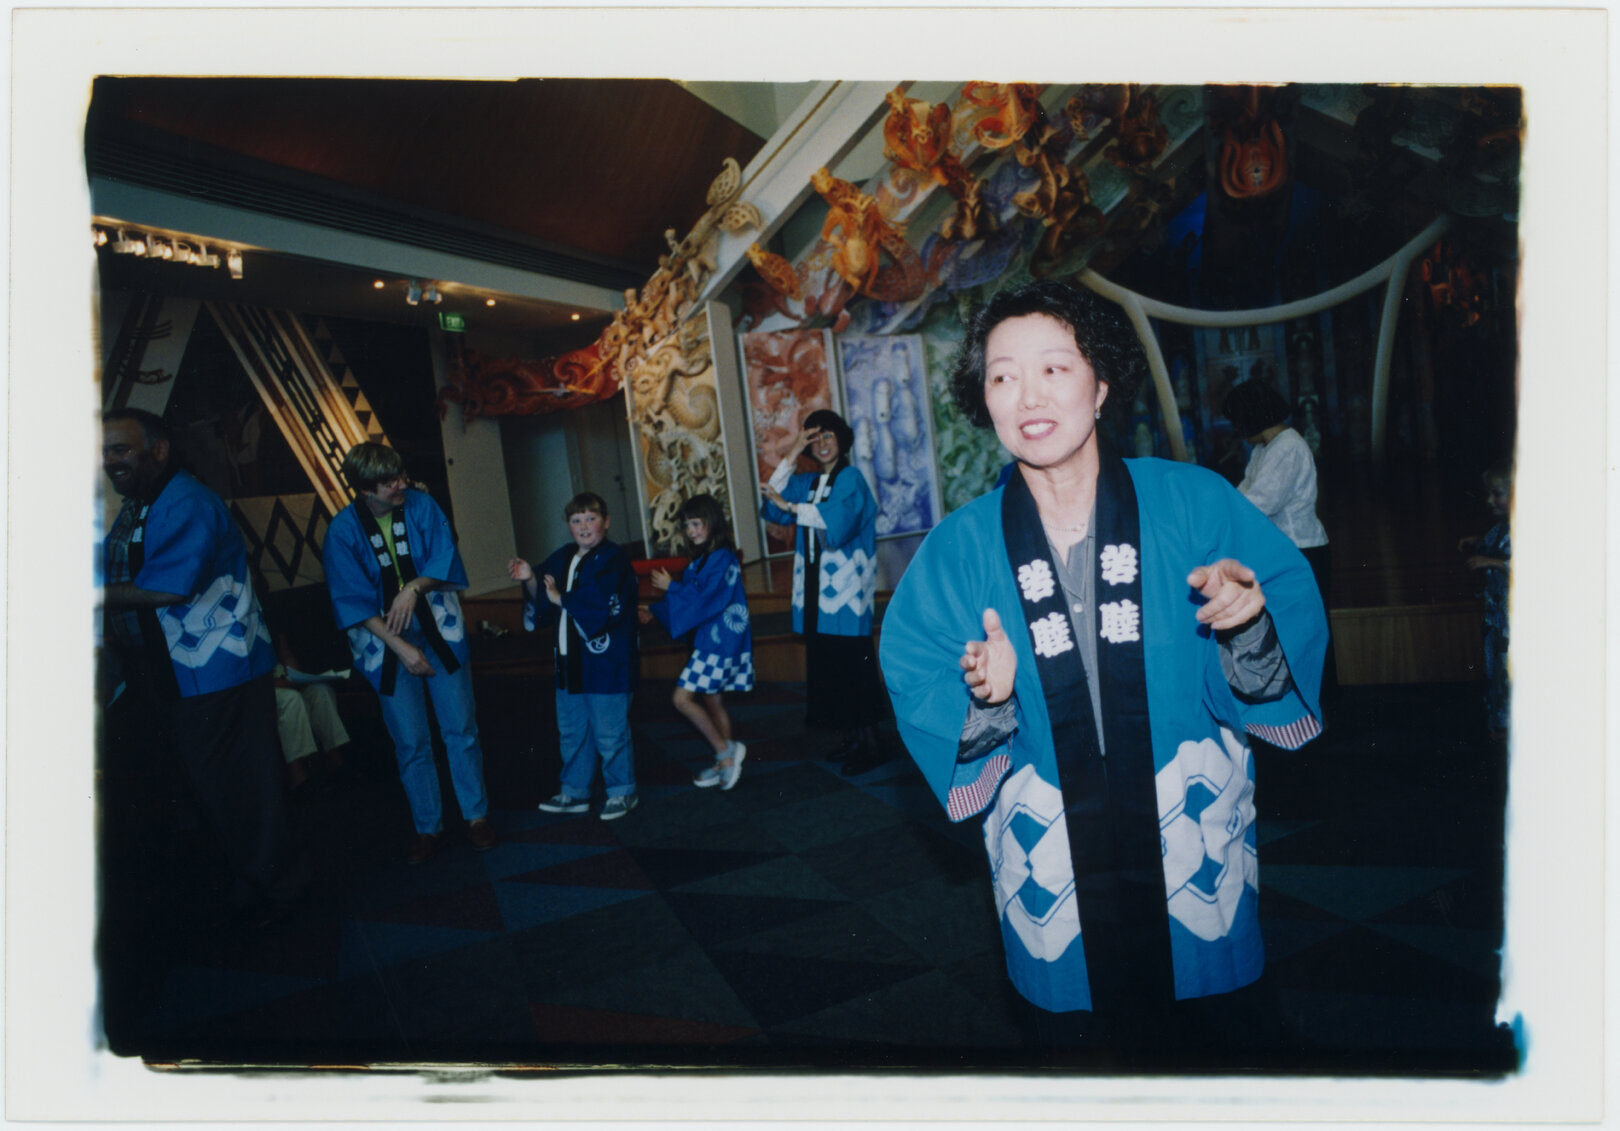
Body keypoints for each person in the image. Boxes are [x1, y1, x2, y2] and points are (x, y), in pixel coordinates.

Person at [878, 283, 1328, 1058]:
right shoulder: (957, 549)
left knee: (1220, 1058)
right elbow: (918, 672)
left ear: (1102, 385)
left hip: (1191, 848)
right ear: (983, 398)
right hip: (1053, 864)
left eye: (1055, 368)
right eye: (1002, 375)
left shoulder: (1195, 502)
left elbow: (1281, 612)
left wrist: (1247, 623)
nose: (1028, 394)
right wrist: (984, 697)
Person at [100, 408, 306, 926]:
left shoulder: (186, 500)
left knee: (242, 783)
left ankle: (278, 889)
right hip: (169, 675)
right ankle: (249, 879)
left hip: (217, 671)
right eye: (105, 452)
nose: (110, 461)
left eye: (121, 449)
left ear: (159, 449)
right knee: (212, 784)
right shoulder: (137, 506)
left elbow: (169, 587)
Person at [324, 442, 495, 864]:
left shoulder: (422, 505)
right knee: (411, 740)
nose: (402, 485)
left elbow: (443, 557)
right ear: (365, 489)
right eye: (390, 482)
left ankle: (476, 817)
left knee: (460, 728)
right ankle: (428, 827)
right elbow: (350, 601)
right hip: (385, 646)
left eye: (400, 475)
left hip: (440, 631)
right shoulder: (342, 531)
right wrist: (400, 647)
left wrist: (412, 587)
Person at [760, 409, 889, 775]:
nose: (822, 444)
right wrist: (791, 452)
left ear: (842, 440)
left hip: (845, 591)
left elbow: (840, 523)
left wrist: (792, 507)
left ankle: (872, 742)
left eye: (828, 436)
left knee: (853, 666)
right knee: (831, 667)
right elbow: (774, 501)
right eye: (814, 439)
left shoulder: (851, 479)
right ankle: (852, 737)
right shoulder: (809, 481)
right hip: (815, 589)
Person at [510, 492, 641, 820]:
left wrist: (561, 599)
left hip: (605, 663)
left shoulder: (615, 560)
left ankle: (622, 791)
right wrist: (529, 578)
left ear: (606, 522)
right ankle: (575, 791)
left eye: (591, 518)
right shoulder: (564, 556)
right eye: (576, 520)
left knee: (609, 731)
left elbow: (599, 603)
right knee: (572, 730)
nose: (584, 526)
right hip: (570, 661)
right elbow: (543, 589)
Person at [1222, 377, 1337, 707]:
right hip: (1285, 551)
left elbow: (1260, 502)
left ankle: (1323, 706)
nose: (1236, 430)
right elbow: (1243, 493)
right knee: (1291, 633)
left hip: (1304, 550)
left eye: (1237, 422)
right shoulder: (1265, 449)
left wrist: (1222, 508)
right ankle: (1303, 705)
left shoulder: (1288, 446)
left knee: (1310, 633)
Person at [639, 494, 753, 790]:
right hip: (710, 642)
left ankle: (724, 754)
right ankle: (726, 759)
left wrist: (671, 587)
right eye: (687, 525)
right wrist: (655, 609)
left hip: (718, 644)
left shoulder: (723, 558)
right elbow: (689, 598)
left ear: (711, 522)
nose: (692, 531)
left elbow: (707, 599)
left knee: (682, 699)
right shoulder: (699, 562)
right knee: (712, 701)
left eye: (697, 523)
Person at [1459, 465, 1511, 742]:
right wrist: (1478, 544)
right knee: (1494, 666)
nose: (1490, 501)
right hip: (1496, 615)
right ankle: (1499, 720)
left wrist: (1493, 562)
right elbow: (1494, 544)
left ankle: (1513, 725)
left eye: (1497, 494)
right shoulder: (1502, 527)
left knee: (1509, 668)